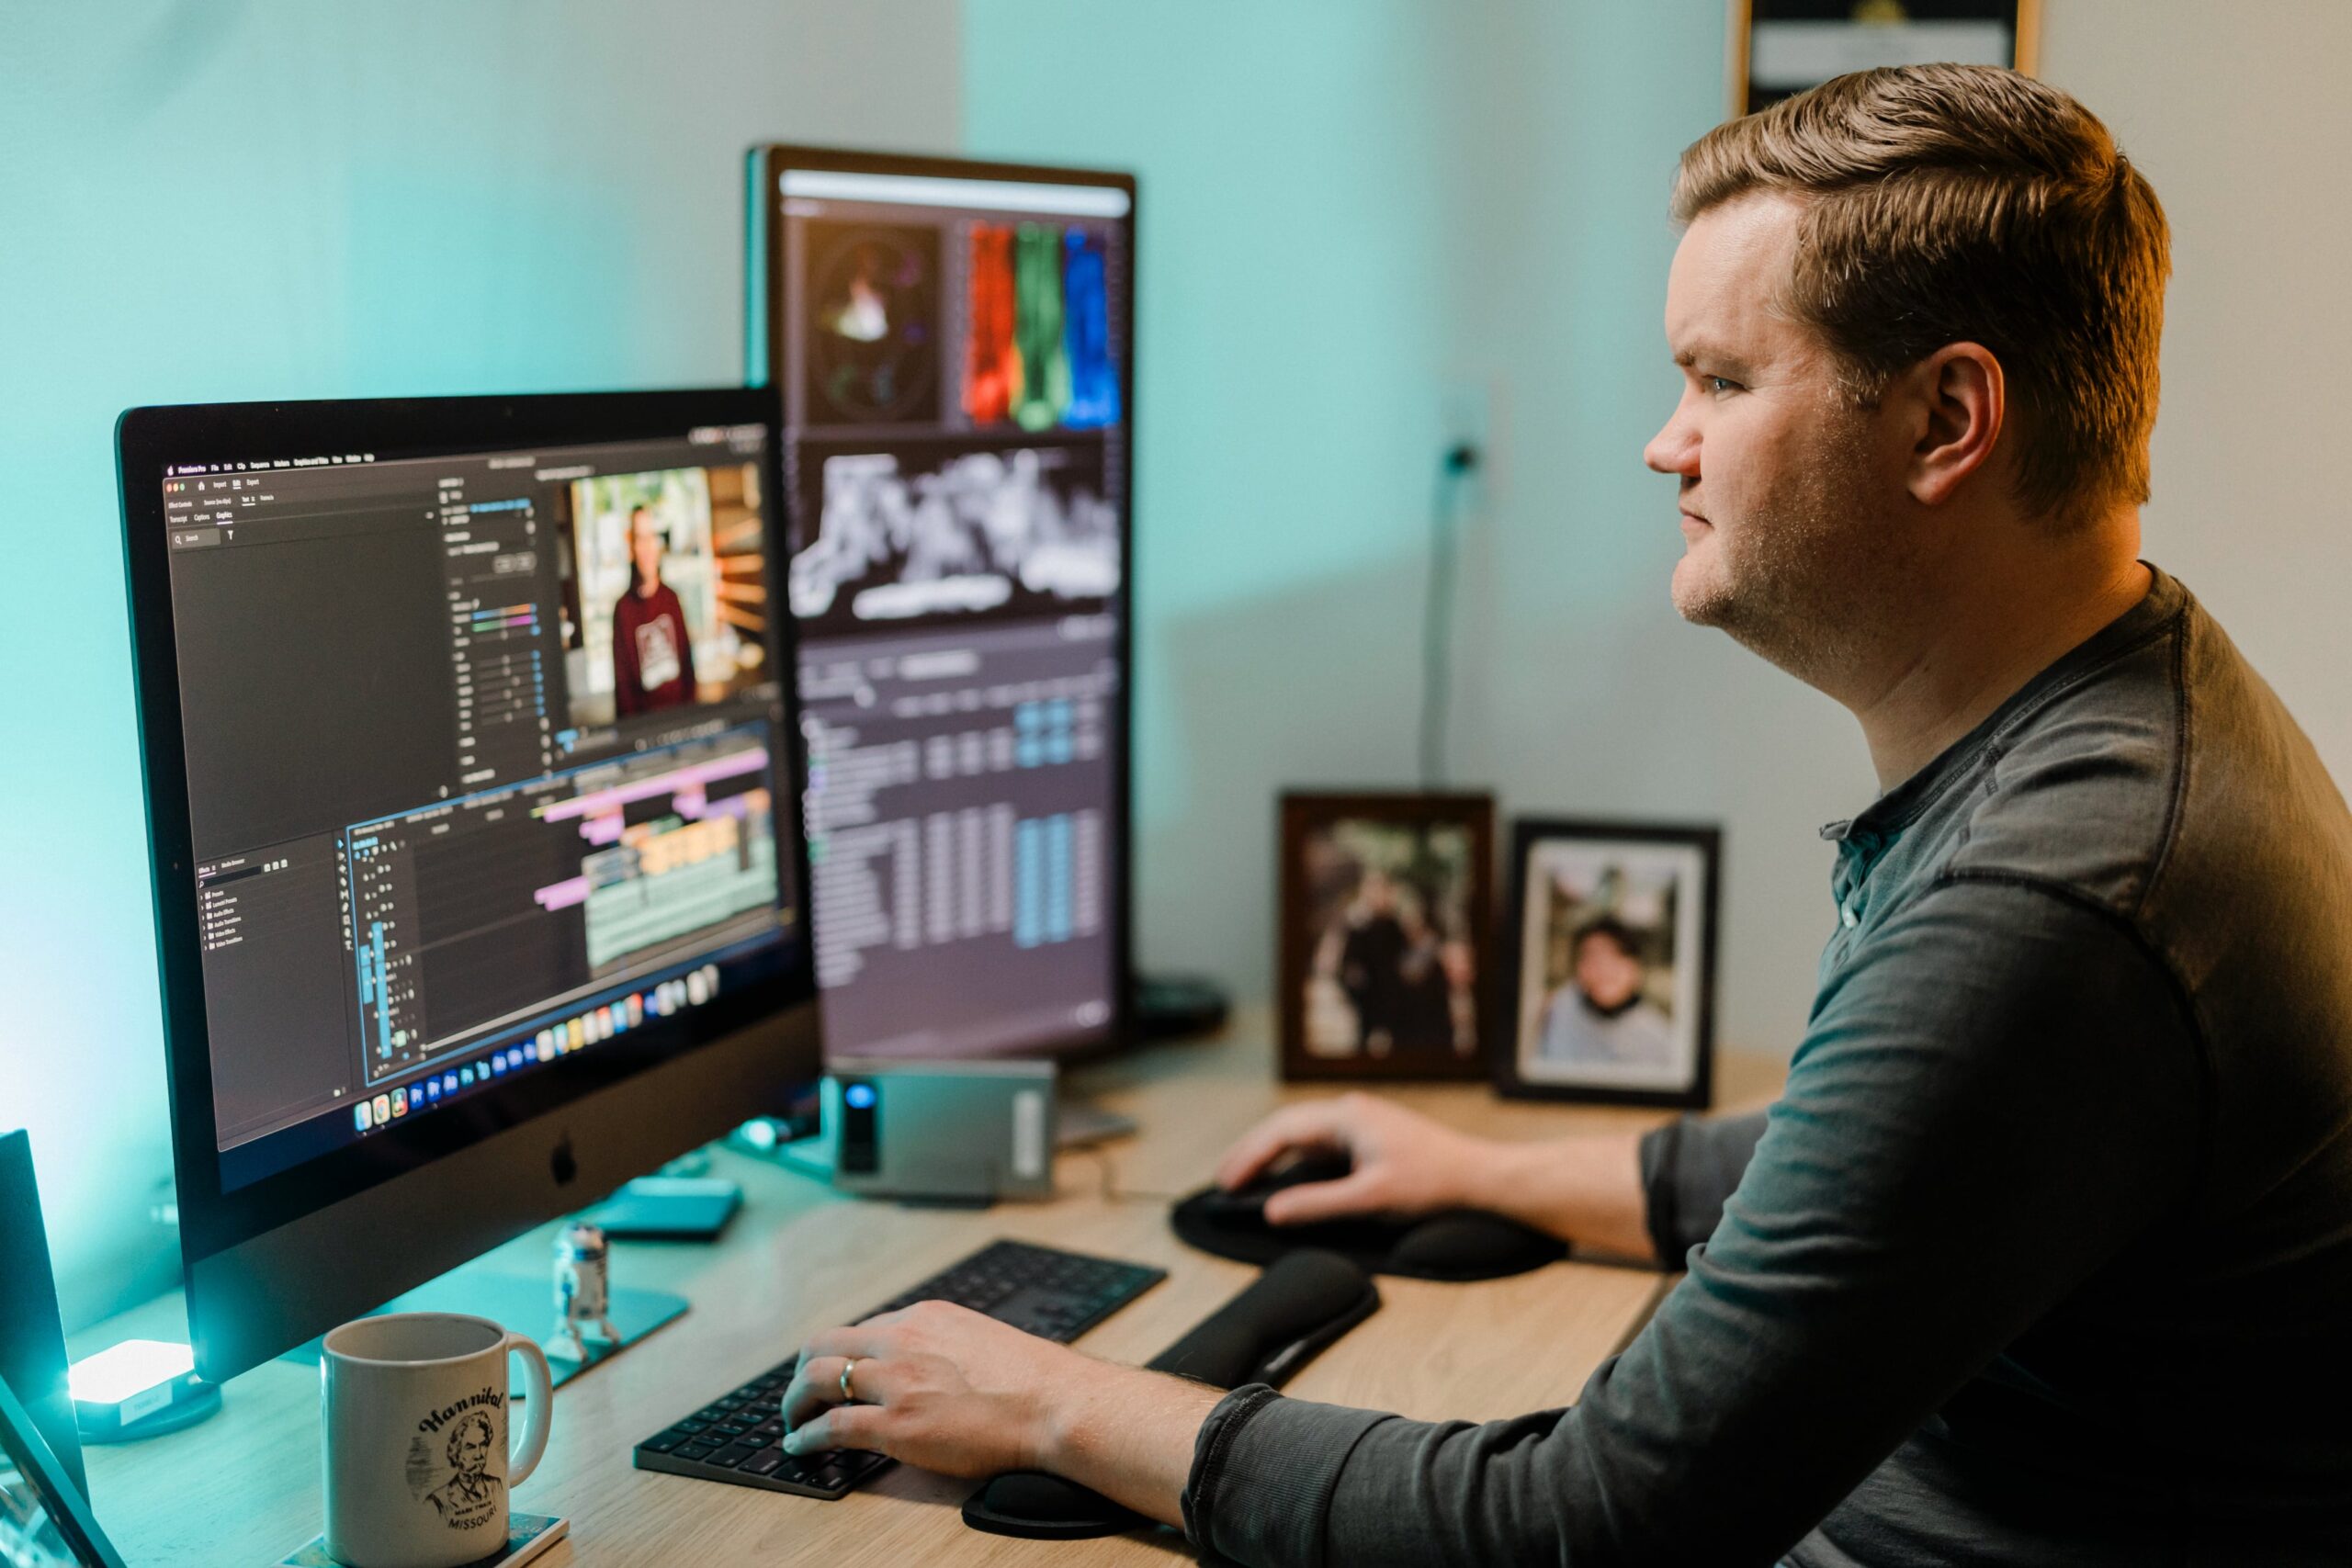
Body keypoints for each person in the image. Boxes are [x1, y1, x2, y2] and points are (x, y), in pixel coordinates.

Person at [771, 65, 2352, 1563]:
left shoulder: (2060, 895)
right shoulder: (2139, 717)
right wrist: (1492, 1169)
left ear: (1947, 420)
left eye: (1721, 380)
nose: (1665, 441)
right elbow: (1897, 1158)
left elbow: (1587, 1528)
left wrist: (1052, 1397)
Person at [1535, 918, 1678, 1072]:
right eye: (1591, 957)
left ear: (1635, 967)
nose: (1603, 969)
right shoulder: (1558, 1009)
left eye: (1614, 956)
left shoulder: (1662, 1038)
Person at [610, 506, 695, 716]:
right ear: (631, 548)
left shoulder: (672, 599)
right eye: (640, 538)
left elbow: (688, 667)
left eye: (651, 537)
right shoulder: (623, 610)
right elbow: (623, 690)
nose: (647, 547)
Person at [1332, 871, 1408, 1051]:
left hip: (1392, 994)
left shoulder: (1393, 925)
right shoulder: (1358, 925)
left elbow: (1402, 956)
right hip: (1368, 994)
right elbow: (1347, 964)